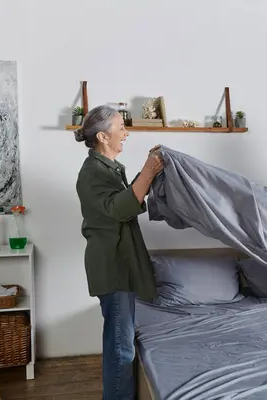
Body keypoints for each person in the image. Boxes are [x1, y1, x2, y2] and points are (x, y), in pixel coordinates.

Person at [74, 105, 163, 399]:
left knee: (121, 343)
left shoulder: (107, 169)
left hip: (119, 264)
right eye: (120, 128)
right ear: (102, 136)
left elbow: (121, 199)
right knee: (120, 347)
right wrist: (148, 172)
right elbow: (118, 208)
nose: (126, 133)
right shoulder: (92, 173)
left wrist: (148, 172)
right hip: (112, 267)